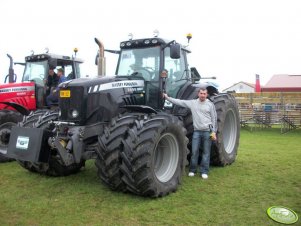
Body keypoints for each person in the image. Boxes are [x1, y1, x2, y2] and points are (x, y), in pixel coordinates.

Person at [163, 88, 217, 179]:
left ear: (206, 95)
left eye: (204, 94)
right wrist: (168, 98)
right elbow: (180, 102)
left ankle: (204, 171)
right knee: (194, 151)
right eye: (201, 93)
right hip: (197, 132)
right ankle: (192, 170)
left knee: (206, 152)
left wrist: (214, 132)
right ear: (198, 94)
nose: (202, 95)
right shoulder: (193, 103)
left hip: (207, 132)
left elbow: (214, 119)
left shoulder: (210, 105)